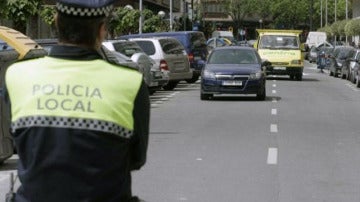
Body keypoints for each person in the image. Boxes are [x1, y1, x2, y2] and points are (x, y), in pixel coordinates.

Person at [4, 0, 150, 201]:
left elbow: (22, 144)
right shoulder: (131, 83)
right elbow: (136, 159)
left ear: (56, 21)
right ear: (102, 30)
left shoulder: (17, 75)